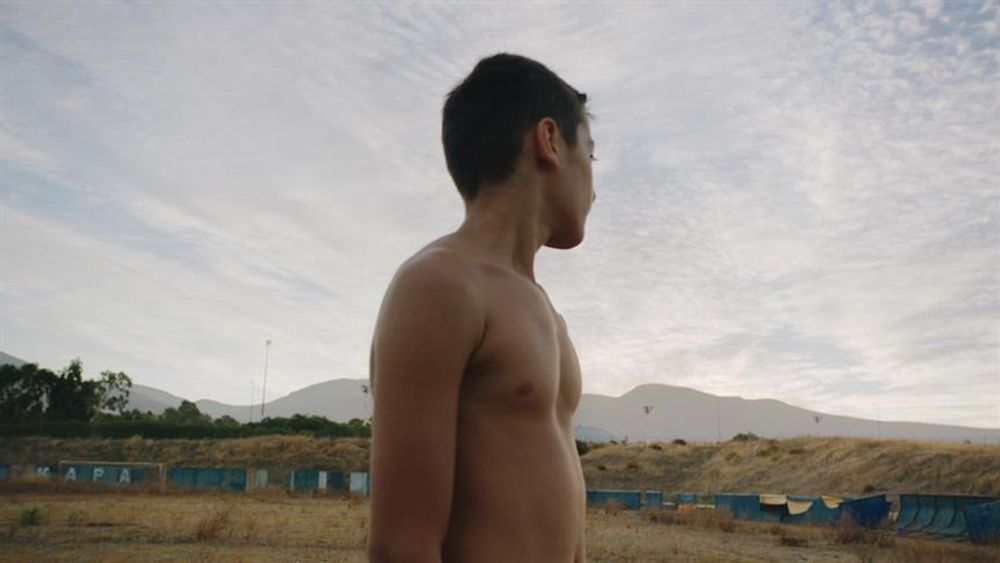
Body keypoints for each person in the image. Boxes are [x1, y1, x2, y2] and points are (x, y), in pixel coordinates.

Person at [367, 53, 596, 563]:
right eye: (591, 154)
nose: (595, 188)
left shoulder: (546, 313)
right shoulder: (440, 285)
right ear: (550, 140)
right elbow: (402, 547)